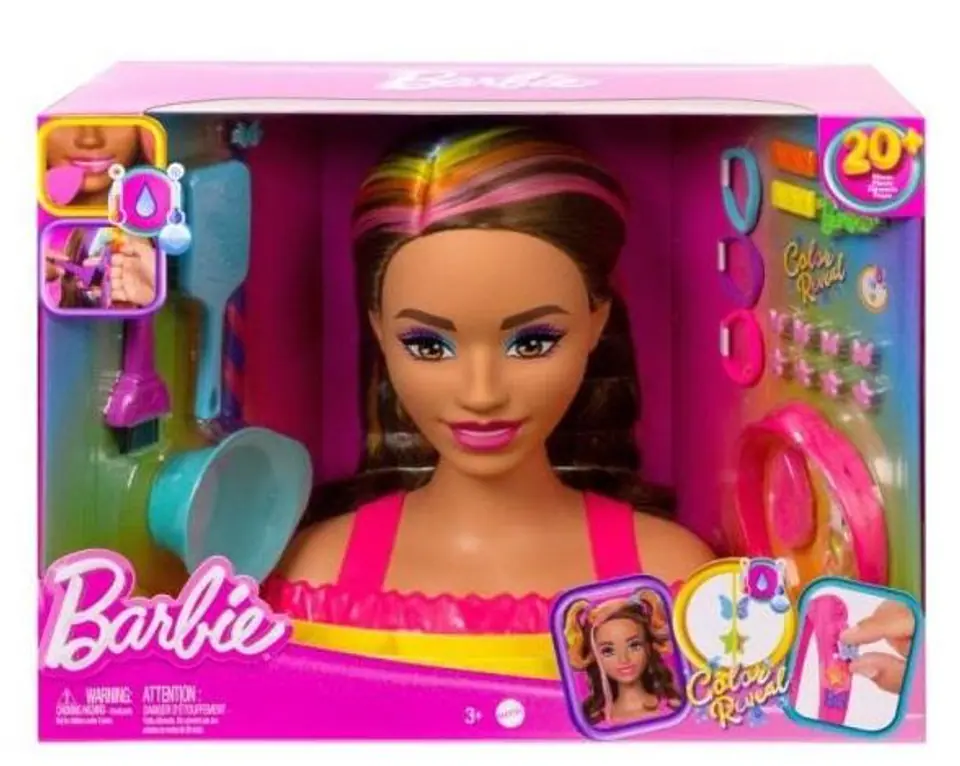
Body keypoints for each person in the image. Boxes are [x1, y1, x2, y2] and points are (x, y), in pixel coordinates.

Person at [262, 124, 713, 676]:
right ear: (379, 329)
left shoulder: (668, 578)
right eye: (428, 345)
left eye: (532, 342)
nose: (481, 394)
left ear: (597, 322)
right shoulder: (315, 576)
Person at [565, 592, 684, 725]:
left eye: (634, 645)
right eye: (608, 651)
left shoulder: (676, 709)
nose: (624, 659)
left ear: (648, 646)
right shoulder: (594, 724)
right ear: (594, 656)